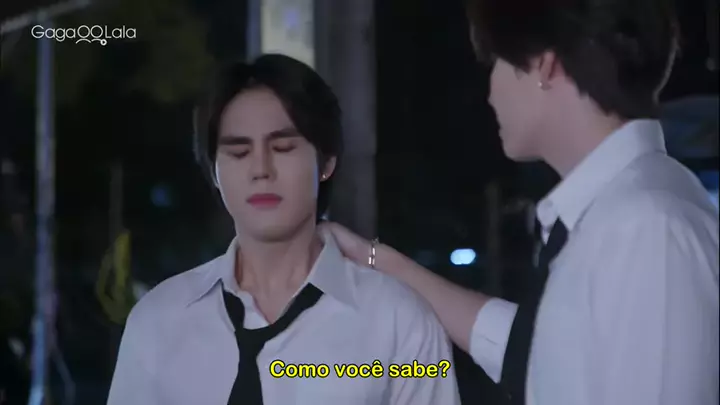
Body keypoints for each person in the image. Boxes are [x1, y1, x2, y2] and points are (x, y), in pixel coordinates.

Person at [322, 1, 719, 404]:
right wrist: (378, 261)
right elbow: (539, 353)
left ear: (545, 66)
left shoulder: (647, 228)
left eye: (498, 62)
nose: (491, 93)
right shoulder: (616, 214)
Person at [107, 54, 460, 405]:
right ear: (214, 171)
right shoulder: (158, 321)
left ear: (326, 161)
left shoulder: (398, 320)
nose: (261, 169)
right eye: (239, 153)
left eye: (283, 148)